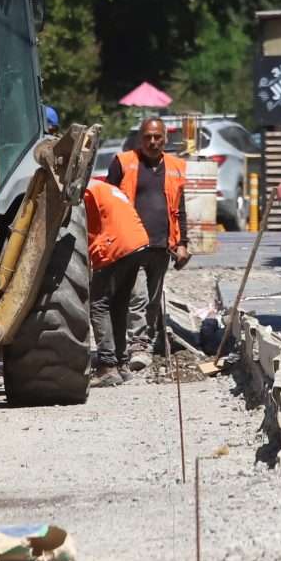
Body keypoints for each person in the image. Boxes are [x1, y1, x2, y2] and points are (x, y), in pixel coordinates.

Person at [105, 117, 191, 371]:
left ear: (165, 138)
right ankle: (138, 345)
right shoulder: (124, 163)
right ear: (139, 139)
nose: (152, 142)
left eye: (157, 137)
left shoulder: (175, 167)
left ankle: (146, 340)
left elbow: (179, 209)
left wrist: (182, 243)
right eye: (147, 137)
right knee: (138, 296)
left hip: (161, 246)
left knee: (152, 299)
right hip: (131, 244)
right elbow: (106, 202)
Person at [84, 178, 150, 386]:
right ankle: (122, 364)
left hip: (116, 245)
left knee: (98, 304)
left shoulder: (85, 191)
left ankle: (107, 366)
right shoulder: (105, 188)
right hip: (138, 243)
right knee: (118, 304)